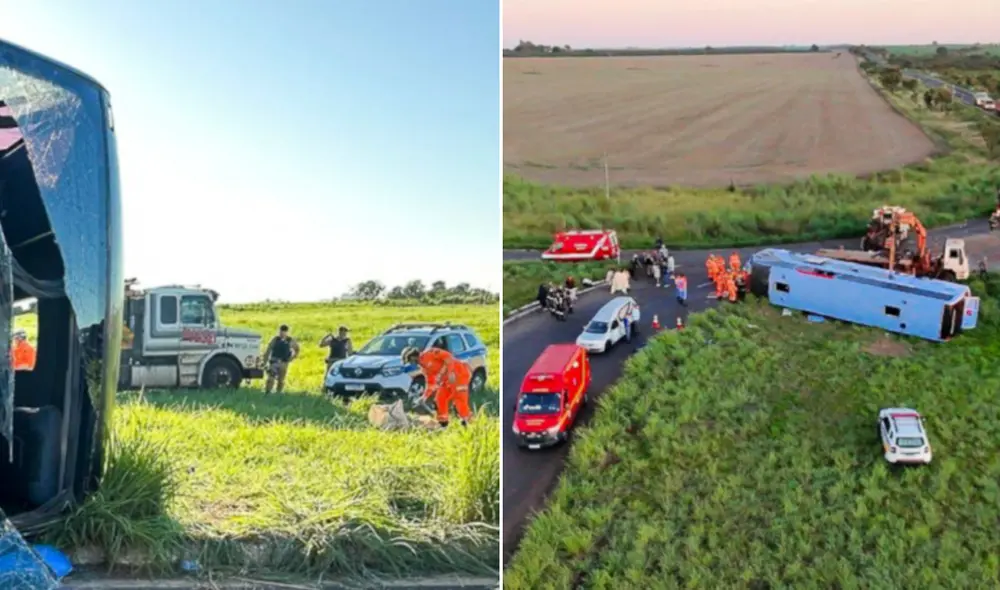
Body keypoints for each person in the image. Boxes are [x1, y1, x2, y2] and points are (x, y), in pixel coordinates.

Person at [403, 346, 471, 428]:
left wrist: (450, 372)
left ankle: (468, 423)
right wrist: (424, 397)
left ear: (413, 356)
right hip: (446, 381)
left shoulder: (431, 353)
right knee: (439, 399)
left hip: (458, 374)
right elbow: (431, 383)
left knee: (459, 398)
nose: (411, 363)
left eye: (410, 361)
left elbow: (448, 357)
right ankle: (443, 424)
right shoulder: (424, 368)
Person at [263, 324, 300, 395]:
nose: (282, 333)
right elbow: (268, 350)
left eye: (284, 332)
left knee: (281, 380)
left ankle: (278, 393)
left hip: (284, 363)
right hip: (274, 361)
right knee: (271, 378)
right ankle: (267, 392)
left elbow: (297, 349)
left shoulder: (290, 340)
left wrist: (292, 357)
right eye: (281, 332)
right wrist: (265, 362)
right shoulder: (275, 339)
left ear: (287, 332)